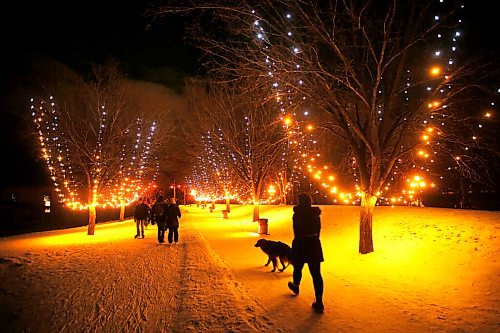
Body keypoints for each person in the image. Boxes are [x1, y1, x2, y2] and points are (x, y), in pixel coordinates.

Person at [288, 193, 325, 313]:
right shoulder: (315, 214)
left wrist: (299, 241)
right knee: (316, 273)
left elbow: (296, 230)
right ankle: (319, 300)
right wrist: (314, 239)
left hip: (300, 243)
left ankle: (296, 285)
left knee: (297, 267)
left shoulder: (297, 215)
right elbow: (318, 230)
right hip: (314, 243)